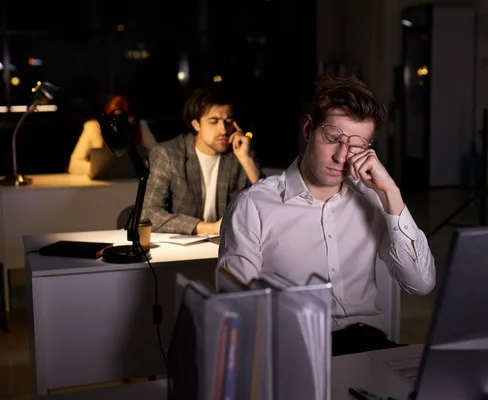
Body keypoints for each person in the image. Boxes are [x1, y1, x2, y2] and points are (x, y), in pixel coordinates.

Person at [217, 76, 436, 356]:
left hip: (368, 347)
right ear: (309, 129)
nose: (341, 156)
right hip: (293, 350)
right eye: (332, 139)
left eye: (356, 146)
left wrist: (391, 192)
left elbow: (420, 284)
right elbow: (236, 306)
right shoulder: (254, 205)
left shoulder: (374, 197)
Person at [142, 84, 261, 235]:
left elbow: (268, 206)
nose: (224, 129)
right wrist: (210, 228)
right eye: (214, 121)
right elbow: (149, 214)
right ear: (196, 124)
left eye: (228, 120)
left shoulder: (239, 153)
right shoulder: (168, 154)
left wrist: (246, 159)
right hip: (180, 247)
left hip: (225, 247)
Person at [68, 95, 157, 175]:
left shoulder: (140, 126)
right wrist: (99, 168)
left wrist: (140, 164)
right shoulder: (93, 128)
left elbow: (158, 156)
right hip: (103, 187)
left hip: (132, 184)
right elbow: (74, 165)